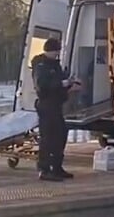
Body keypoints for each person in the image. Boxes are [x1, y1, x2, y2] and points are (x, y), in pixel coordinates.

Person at [32, 38, 80, 182]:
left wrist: (71, 85)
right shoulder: (41, 66)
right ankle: (44, 169)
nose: (58, 54)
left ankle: (57, 167)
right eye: (56, 51)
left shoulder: (54, 65)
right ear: (51, 50)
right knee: (47, 138)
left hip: (56, 105)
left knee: (60, 136)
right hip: (46, 106)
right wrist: (62, 83)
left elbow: (59, 82)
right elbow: (42, 86)